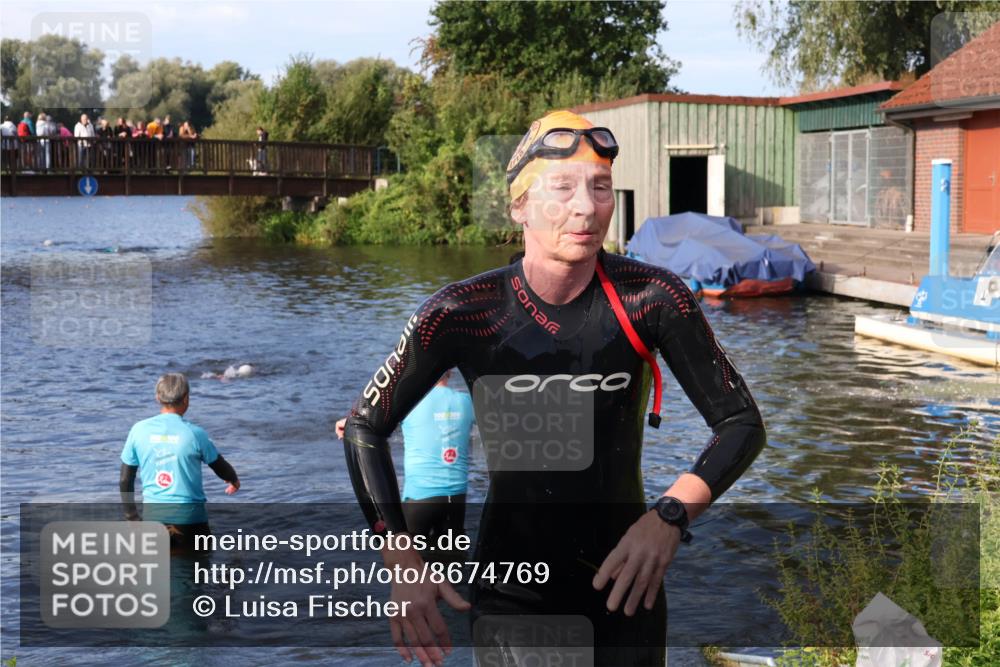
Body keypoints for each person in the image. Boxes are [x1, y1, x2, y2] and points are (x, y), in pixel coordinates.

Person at [342, 109, 766, 667]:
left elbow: (741, 423)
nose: (586, 207)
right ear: (518, 206)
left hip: (626, 588)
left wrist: (670, 517)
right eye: (562, 187)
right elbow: (364, 427)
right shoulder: (463, 314)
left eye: (601, 187)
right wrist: (402, 559)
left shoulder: (652, 298)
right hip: (514, 596)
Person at [336, 369, 475, 544]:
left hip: (420, 498)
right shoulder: (466, 401)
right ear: (450, 373)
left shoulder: (410, 403)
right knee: (453, 556)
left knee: (408, 556)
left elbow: (371, 422)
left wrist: (349, 424)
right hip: (456, 499)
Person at [119, 373, 241, 551]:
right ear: (186, 399)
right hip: (191, 521)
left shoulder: (138, 430)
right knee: (199, 566)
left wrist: (132, 518)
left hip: (154, 520)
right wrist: (233, 480)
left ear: (158, 397)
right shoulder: (196, 434)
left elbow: (125, 479)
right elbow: (220, 466)